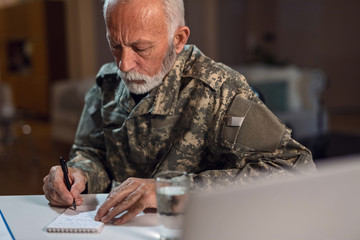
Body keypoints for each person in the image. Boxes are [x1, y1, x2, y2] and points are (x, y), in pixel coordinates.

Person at [43, 0, 316, 225]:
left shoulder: (220, 89)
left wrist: (168, 191)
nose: (124, 65)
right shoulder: (108, 83)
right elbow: (92, 152)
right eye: (115, 45)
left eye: (141, 48)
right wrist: (79, 175)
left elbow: (296, 169)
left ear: (178, 39)